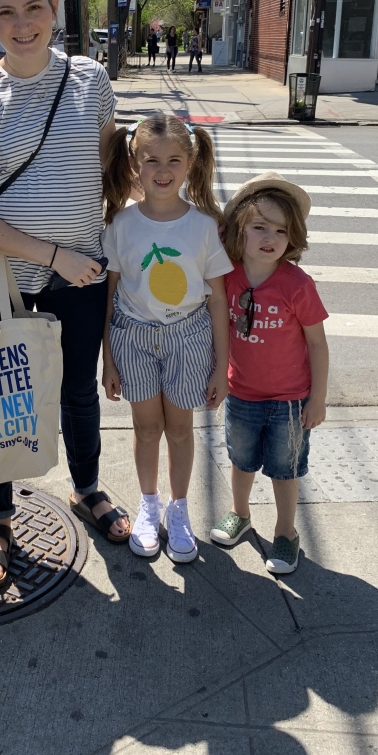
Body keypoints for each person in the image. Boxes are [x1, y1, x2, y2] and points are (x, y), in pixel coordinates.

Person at [0, 0, 131, 590]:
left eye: (34, 7)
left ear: (56, 6)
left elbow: (112, 182)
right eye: (5, 13)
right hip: (4, 278)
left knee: (78, 392)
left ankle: (87, 489)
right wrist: (52, 253)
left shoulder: (91, 82)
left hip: (80, 279)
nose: (21, 24)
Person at [101, 115, 231, 562]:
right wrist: (109, 359)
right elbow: (112, 293)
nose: (163, 169)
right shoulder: (120, 224)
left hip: (189, 338)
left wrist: (220, 365)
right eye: (151, 159)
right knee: (145, 427)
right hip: (132, 338)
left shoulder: (204, 226)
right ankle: (148, 503)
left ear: (191, 162)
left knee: (179, 428)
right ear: (134, 163)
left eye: (174, 159)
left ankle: (179, 510)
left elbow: (217, 300)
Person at [209, 174, 329, 575]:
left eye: (281, 230)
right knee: (241, 460)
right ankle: (239, 513)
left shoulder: (297, 284)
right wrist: (218, 375)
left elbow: (317, 344)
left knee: (285, 469)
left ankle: (285, 531)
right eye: (259, 227)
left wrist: (317, 399)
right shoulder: (227, 276)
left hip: (291, 400)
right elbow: (218, 330)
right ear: (239, 230)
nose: (270, 238)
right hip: (242, 393)